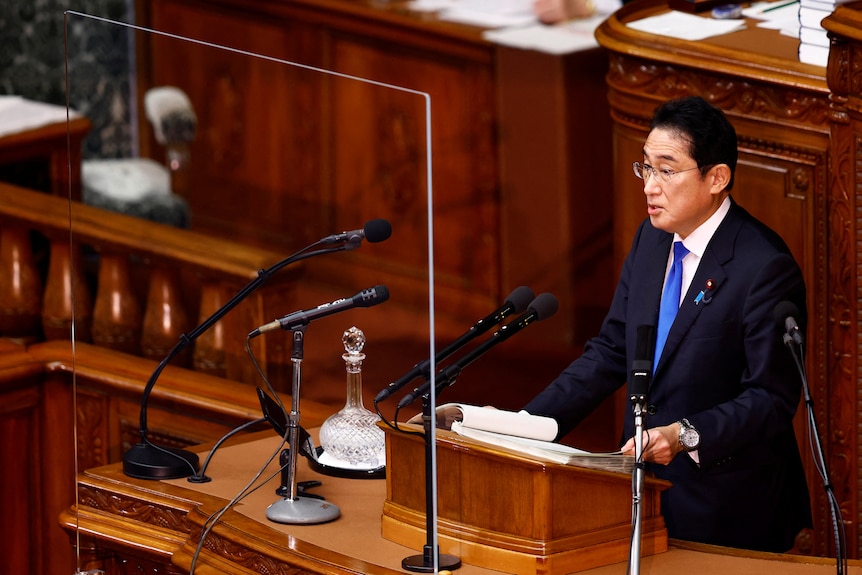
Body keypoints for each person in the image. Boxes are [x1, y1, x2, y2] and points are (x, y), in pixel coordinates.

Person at [523, 96, 812, 553]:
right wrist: (529, 425)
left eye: (666, 170)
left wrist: (684, 435)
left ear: (716, 178)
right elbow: (612, 348)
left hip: (726, 507)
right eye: (645, 168)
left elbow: (770, 400)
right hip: (641, 489)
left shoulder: (764, 267)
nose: (649, 187)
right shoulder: (652, 239)